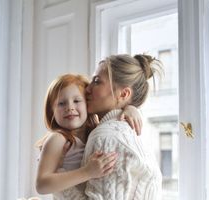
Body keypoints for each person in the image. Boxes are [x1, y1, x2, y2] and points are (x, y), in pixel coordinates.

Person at [36, 74, 141, 199]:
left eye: (76, 101)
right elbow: (41, 185)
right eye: (61, 103)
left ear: (88, 104)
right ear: (51, 111)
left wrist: (131, 108)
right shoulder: (58, 139)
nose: (69, 107)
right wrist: (87, 172)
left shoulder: (96, 133)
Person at [81, 54, 163, 199]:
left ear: (124, 94)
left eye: (97, 81)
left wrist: (57, 175)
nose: (87, 89)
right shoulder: (134, 134)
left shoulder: (105, 136)